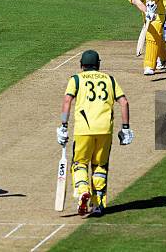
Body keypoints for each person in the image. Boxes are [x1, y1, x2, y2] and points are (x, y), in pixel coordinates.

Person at [57, 50, 132, 217]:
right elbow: (124, 102)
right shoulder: (109, 79)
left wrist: (63, 125)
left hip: (83, 130)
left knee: (79, 164)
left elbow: (67, 100)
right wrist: (126, 128)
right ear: (98, 64)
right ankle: (98, 204)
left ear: (81, 65)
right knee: (100, 166)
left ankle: (83, 190)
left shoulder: (76, 79)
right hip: (105, 131)